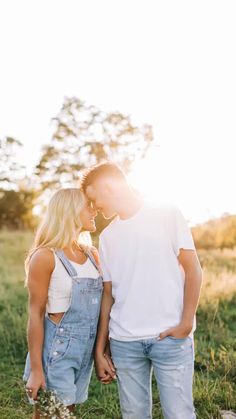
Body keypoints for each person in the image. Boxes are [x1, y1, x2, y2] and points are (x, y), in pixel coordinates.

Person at [81, 162, 203, 419]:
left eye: (94, 198)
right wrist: (101, 349)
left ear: (109, 187)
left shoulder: (167, 213)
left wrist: (185, 323)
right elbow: (108, 295)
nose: (93, 208)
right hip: (125, 343)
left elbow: (193, 270)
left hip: (170, 338)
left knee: (180, 414)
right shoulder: (107, 237)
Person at [23, 188, 103, 419]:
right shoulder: (46, 256)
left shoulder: (91, 255)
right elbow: (35, 315)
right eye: (88, 205)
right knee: (54, 415)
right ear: (69, 211)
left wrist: (101, 349)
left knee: (67, 412)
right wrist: (37, 371)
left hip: (84, 349)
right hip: (56, 351)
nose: (94, 209)